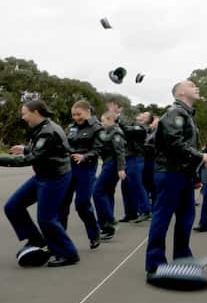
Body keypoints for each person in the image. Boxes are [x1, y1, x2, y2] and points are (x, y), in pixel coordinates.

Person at [0, 99, 80, 268]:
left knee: (46, 219)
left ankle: (69, 253)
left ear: (35, 113)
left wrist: (3, 160)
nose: (23, 117)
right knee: (13, 206)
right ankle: (36, 240)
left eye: (24, 113)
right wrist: (24, 148)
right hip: (42, 175)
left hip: (55, 178)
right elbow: (45, 150)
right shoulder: (41, 128)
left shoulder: (48, 131)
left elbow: (34, 158)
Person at [146, 81, 204, 276]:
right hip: (171, 173)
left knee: (186, 218)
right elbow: (174, 143)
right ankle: (155, 264)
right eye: (191, 85)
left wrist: (195, 172)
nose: (196, 87)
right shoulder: (175, 113)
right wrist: (200, 156)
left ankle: (182, 259)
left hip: (184, 174)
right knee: (162, 218)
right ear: (180, 92)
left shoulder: (186, 114)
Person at [64, 102, 106, 248]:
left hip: (86, 169)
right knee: (62, 203)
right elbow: (63, 144)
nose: (76, 117)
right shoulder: (71, 127)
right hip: (68, 168)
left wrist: (85, 156)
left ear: (88, 111)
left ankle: (94, 234)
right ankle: (59, 238)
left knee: (82, 204)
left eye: (79, 114)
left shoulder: (97, 128)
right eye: (74, 115)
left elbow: (99, 148)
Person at [91, 110, 128, 238]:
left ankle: (109, 220)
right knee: (107, 192)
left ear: (110, 120)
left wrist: (121, 169)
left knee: (98, 191)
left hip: (112, 164)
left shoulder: (116, 133)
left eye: (104, 120)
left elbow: (120, 152)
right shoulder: (108, 131)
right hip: (108, 163)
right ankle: (107, 227)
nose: (102, 123)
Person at [116, 107, 151, 223]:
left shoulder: (142, 128)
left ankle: (145, 210)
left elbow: (126, 130)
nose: (141, 115)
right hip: (128, 158)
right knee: (126, 186)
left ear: (147, 121)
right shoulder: (133, 125)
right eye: (142, 114)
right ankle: (130, 213)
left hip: (136, 158)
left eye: (145, 116)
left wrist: (118, 117)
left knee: (136, 184)